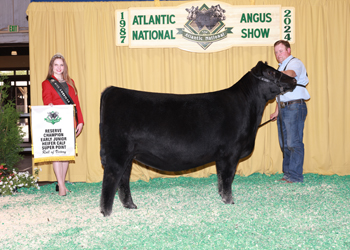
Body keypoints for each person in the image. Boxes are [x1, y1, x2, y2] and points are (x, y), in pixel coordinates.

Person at [42, 53, 84, 195]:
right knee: (57, 153)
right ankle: (61, 186)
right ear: (51, 67)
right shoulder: (47, 83)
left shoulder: (70, 81)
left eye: (61, 65)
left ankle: (63, 183)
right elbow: (46, 100)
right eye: (56, 65)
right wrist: (50, 105)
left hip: (70, 119)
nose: (59, 67)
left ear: (64, 67)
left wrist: (81, 121)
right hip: (56, 121)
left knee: (66, 153)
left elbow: (76, 103)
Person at [270, 40, 310, 183]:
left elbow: (291, 74)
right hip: (284, 107)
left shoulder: (294, 63)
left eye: (281, 51)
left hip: (294, 107)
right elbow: (282, 93)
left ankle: (296, 176)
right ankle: (288, 174)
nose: (278, 54)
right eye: (276, 52)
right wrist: (276, 111)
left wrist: (274, 73)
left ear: (289, 50)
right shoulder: (281, 66)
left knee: (293, 142)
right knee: (285, 144)